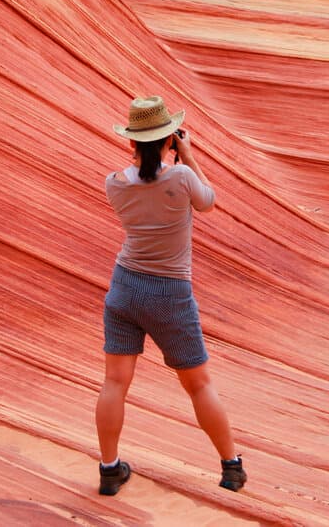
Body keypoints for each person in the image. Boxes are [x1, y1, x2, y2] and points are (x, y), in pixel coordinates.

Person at [95, 95, 247, 496]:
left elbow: (143, 181)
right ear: (170, 141)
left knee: (114, 382)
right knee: (198, 384)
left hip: (125, 287)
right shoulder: (180, 178)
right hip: (170, 293)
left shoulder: (114, 184)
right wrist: (190, 155)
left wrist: (168, 154)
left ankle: (109, 470)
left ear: (130, 142)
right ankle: (231, 468)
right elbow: (209, 203)